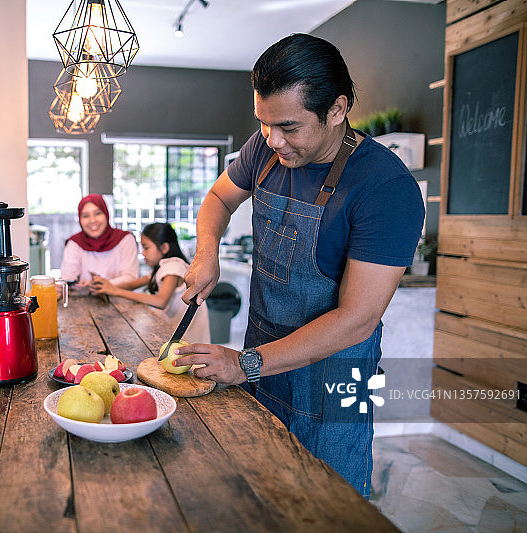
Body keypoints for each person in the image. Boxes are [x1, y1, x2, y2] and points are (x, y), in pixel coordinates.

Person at [172, 34, 424, 498]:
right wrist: (206, 253)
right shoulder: (265, 147)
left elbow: (357, 320)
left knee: (328, 505)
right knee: (261, 496)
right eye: (263, 124)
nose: (273, 140)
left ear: (337, 109)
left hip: (334, 383)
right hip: (262, 360)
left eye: (288, 126)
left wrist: (244, 363)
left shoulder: (386, 188)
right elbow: (218, 199)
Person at [92, 223, 211, 343]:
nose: (143, 253)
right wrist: (105, 285)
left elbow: (160, 301)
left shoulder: (173, 266)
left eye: (146, 247)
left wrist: (115, 291)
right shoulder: (161, 267)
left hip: (190, 339)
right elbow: (132, 285)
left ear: (164, 248)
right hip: (179, 334)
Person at [59, 194, 139, 288]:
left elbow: (131, 277)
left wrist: (99, 285)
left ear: (106, 214)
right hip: (85, 300)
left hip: (120, 300)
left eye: (98, 213)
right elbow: (68, 279)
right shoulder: (75, 243)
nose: (92, 220)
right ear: (80, 219)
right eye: (85, 216)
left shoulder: (124, 239)